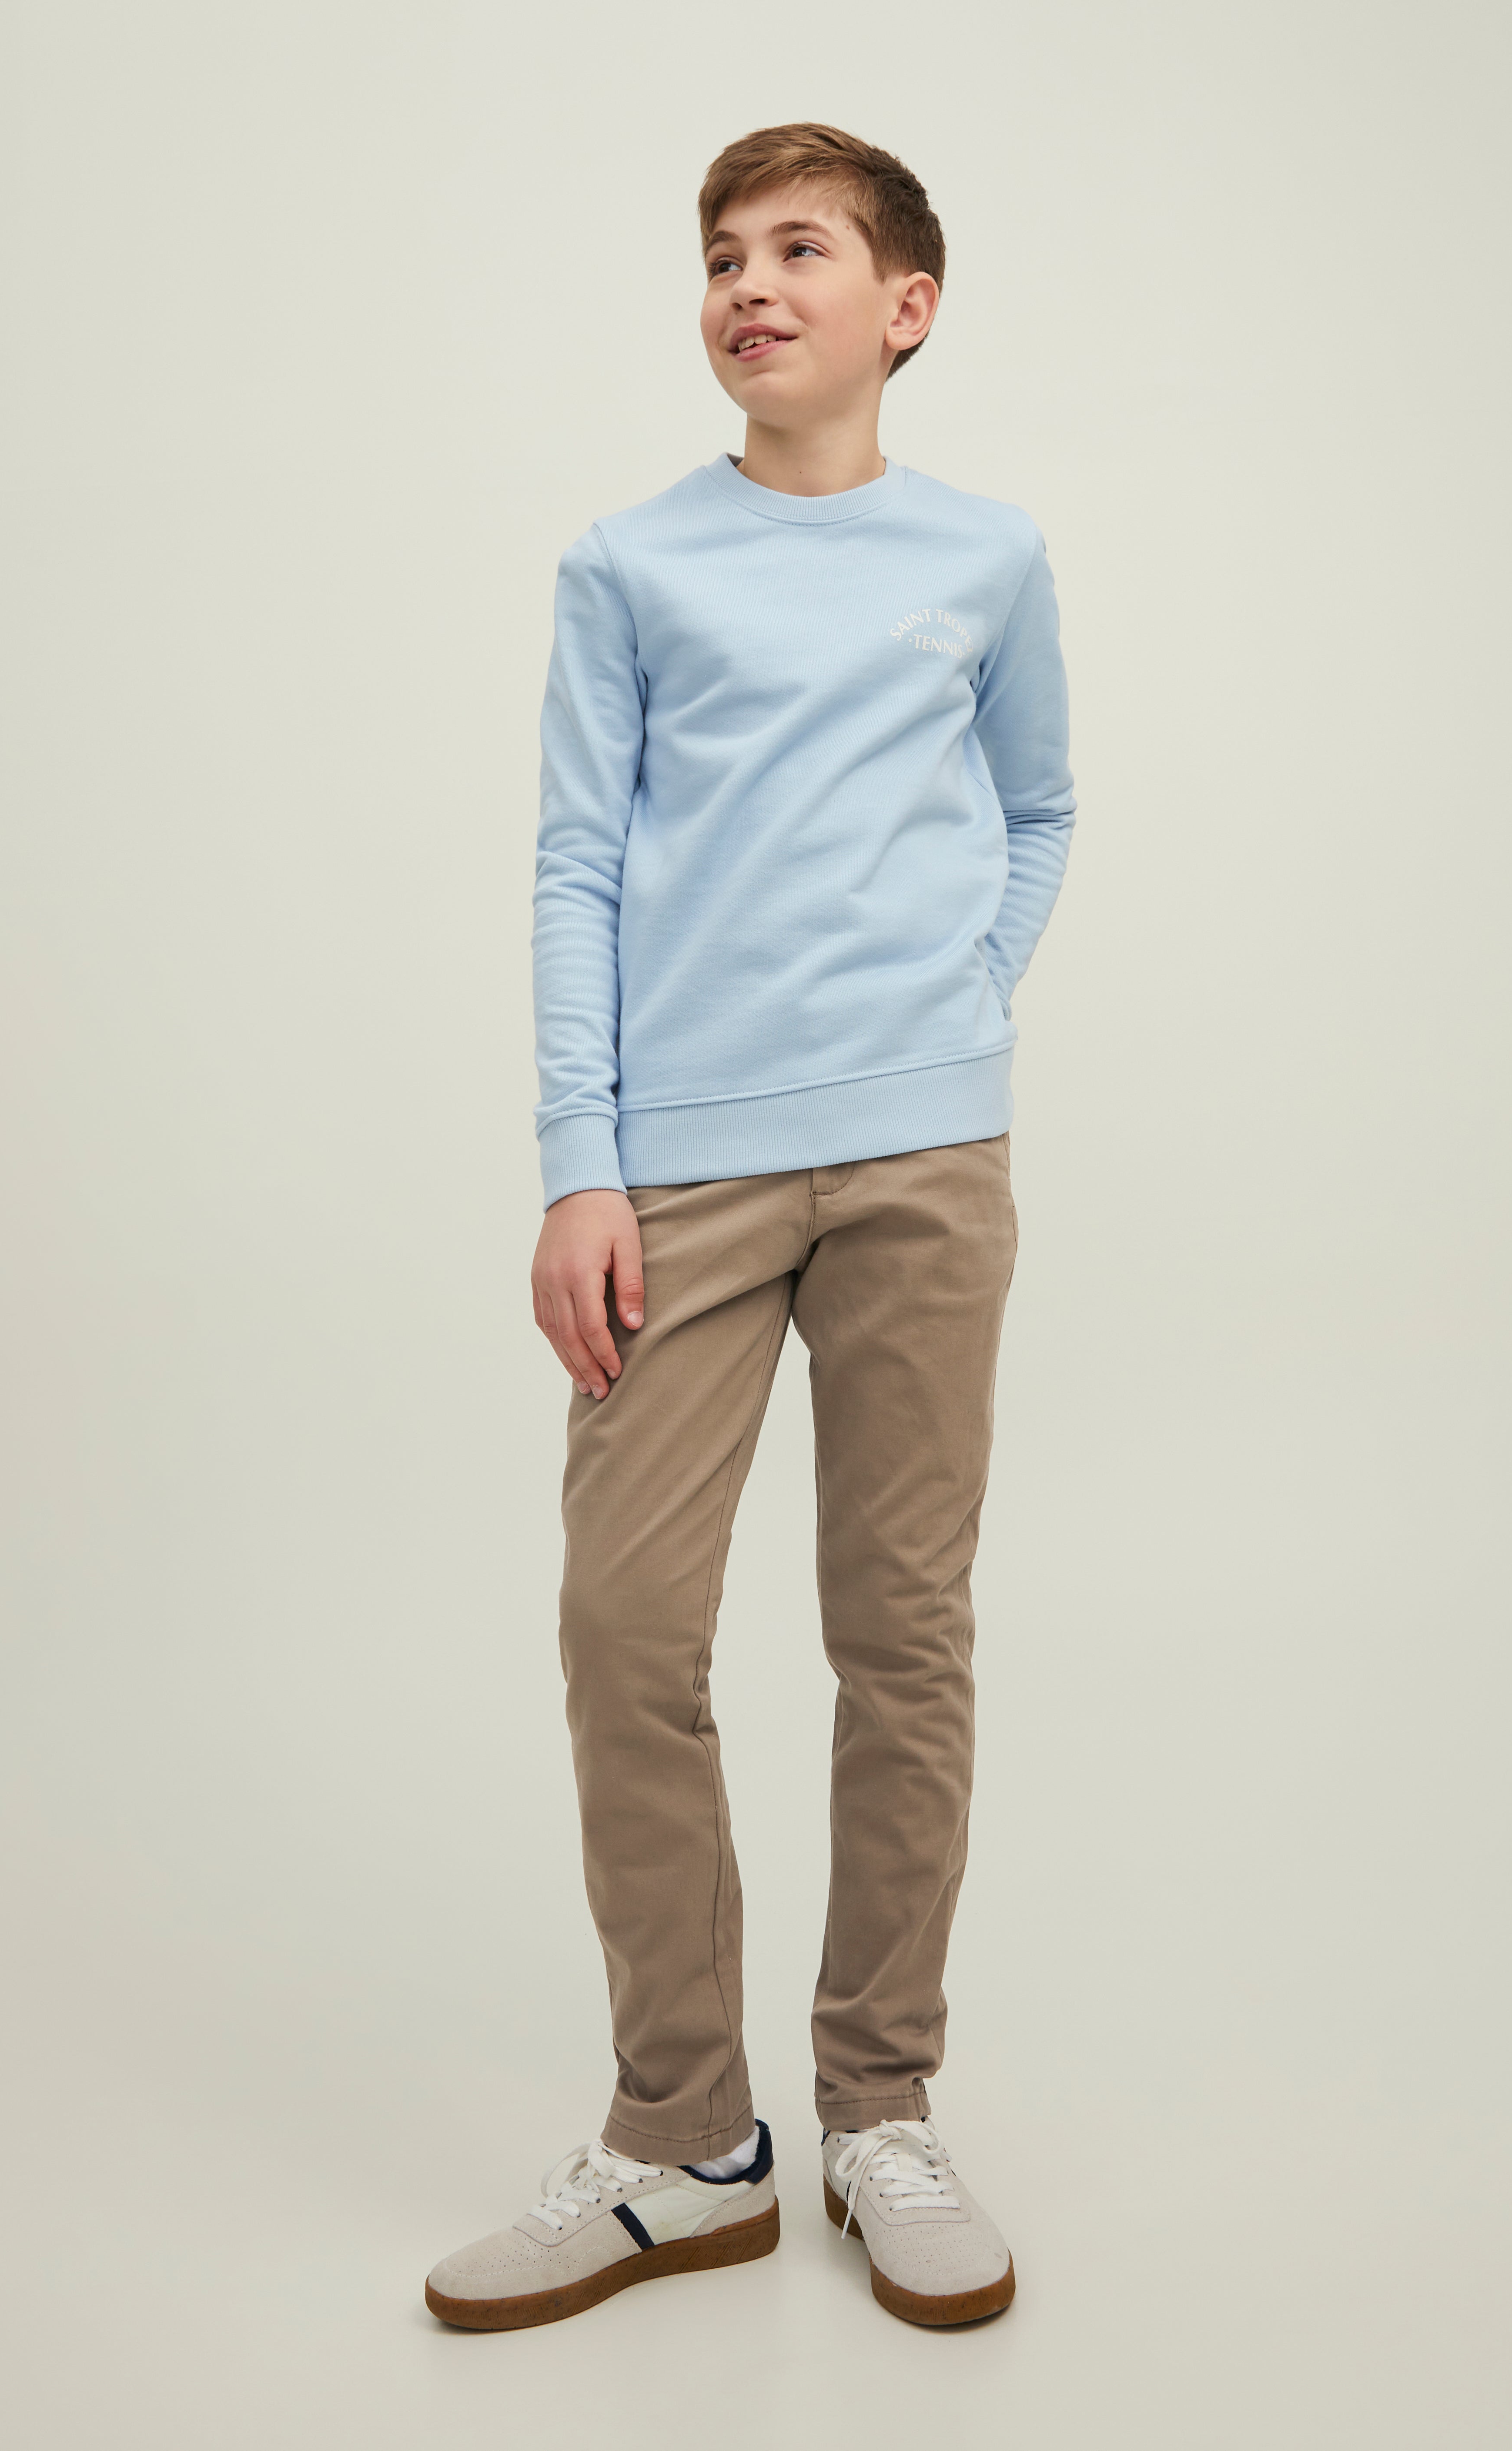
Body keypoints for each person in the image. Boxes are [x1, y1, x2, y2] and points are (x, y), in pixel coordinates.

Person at [425, 121, 1077, 2333]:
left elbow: (1039, 804)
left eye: (800, 247)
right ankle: (685, 2136)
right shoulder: (629, 563)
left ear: (906, 306)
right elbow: (574, 858)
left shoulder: (986, 555)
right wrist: (578, 1159)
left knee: (901, 1634)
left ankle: (879, 2102)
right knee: (626, 1624)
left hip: (924, 1163)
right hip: (678, 1178)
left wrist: (962, 991)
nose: (748, 284)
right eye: (721, 252)